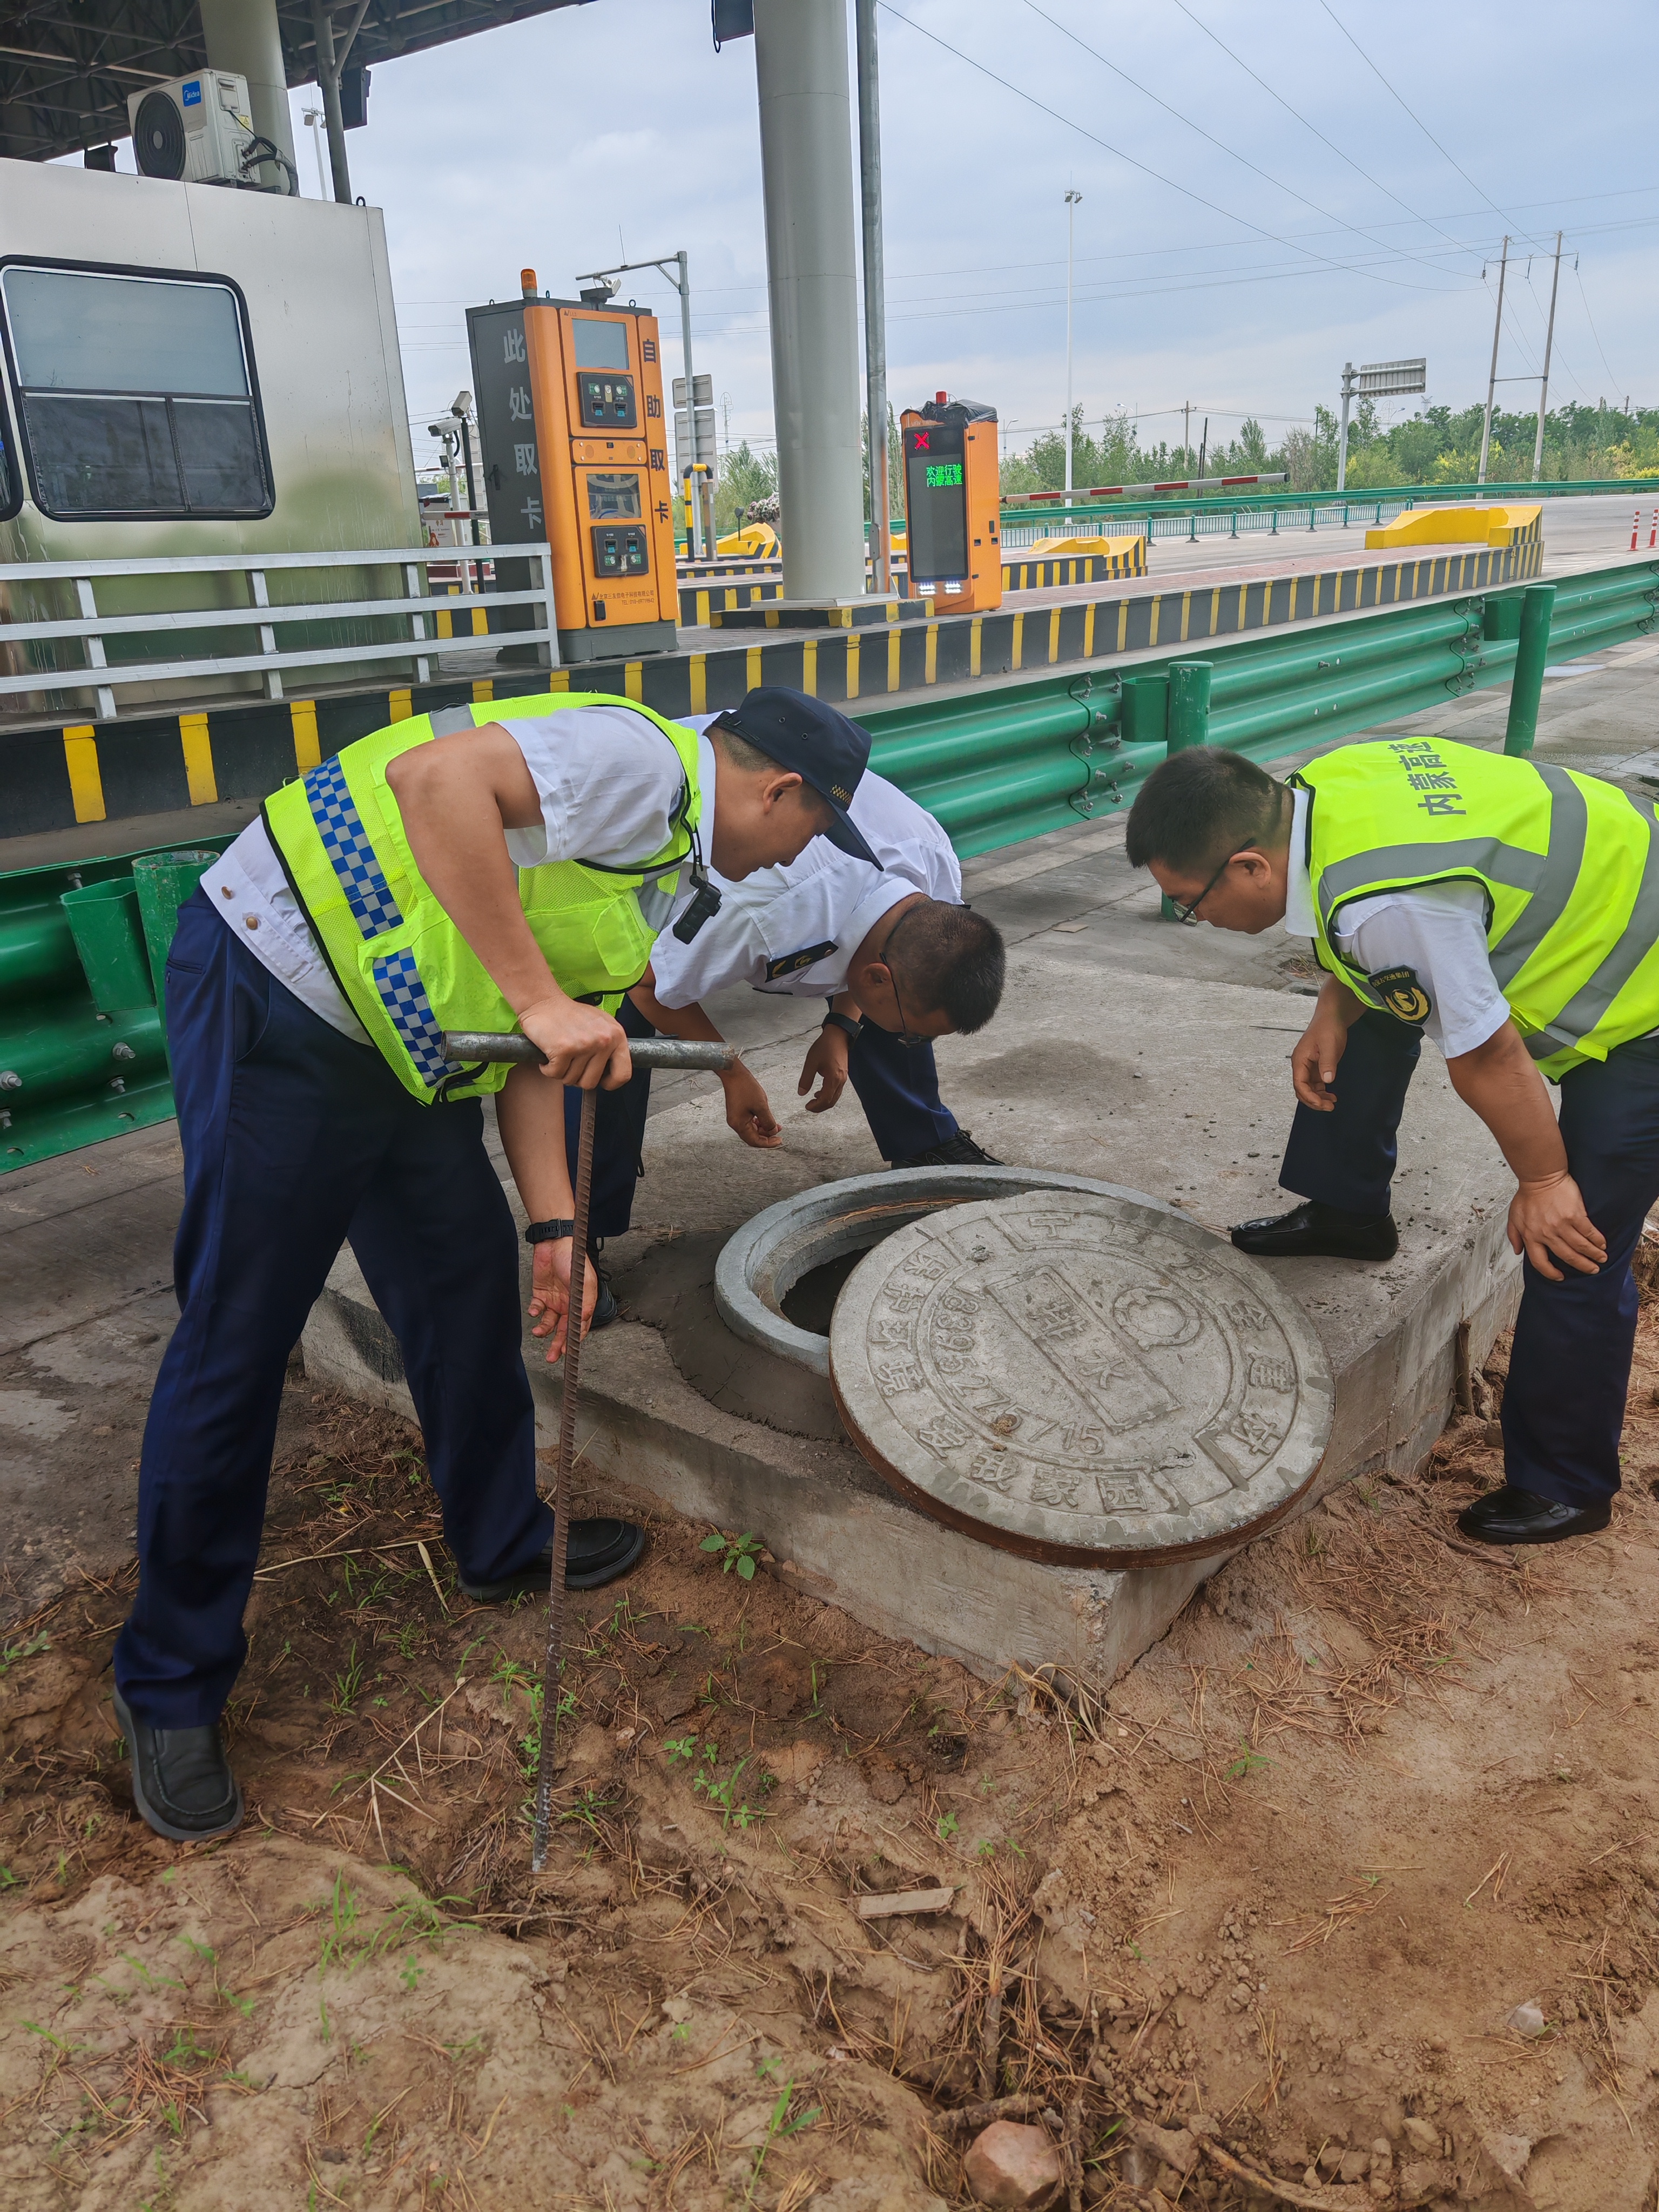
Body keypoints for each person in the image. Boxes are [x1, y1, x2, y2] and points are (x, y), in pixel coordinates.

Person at [115, 684, 874, 1842]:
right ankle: (169, 1681)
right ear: (778, 790)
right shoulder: (643, 764)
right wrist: (532, 996)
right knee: (237, 1337)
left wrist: (556, 1227)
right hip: (285, 997)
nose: (796, 855)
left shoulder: (664, 866)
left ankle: (503, 1543)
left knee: (468, 1288)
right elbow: (438, 785)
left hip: (407, 1050)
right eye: (811, 829)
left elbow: (542, 1045)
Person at [1125, 735, 1659, 1550]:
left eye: (1189, 901)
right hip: (1614, 886)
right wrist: (1331, 1011)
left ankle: (1566, 1484)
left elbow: (1487, 1056)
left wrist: (1545, 1178)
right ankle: (1349, 1210)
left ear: (1249, 868)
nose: (1195, 918)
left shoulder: (1385, 908)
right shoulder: (1324, 788)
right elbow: (1380, 937)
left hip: (1642, 989)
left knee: (1574, 1238)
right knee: (1376, 1005)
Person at [555, 699, 1007, 1283]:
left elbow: (883, 945)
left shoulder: (927, 863)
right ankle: (575, 1234)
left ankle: (924, 1144)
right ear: (873, 979)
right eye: (916, 1031)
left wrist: (842, 1026)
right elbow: (648, 982)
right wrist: (728, 1067)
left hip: (813, 849)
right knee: (607, 1033)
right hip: (689, 811)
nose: (914, 1041)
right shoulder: (755, 908)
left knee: (915, 989)